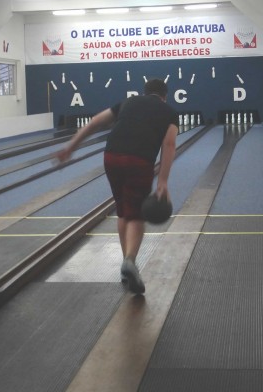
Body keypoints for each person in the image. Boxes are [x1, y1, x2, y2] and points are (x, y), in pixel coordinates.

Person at [55, 78, 178, 294]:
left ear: (144, 92)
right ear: (165, 96)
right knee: (136, 215)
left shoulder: (128, 102)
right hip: (139, 160)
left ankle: (125, 264)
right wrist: (163, 181)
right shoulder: (169, 112)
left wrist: (71, 147)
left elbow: (95, 122)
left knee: (123, 210)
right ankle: (130, 260)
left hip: (111, 156)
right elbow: (169, 144)